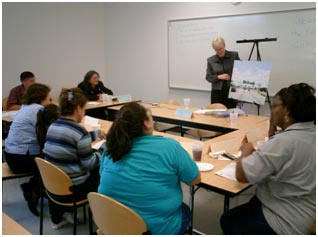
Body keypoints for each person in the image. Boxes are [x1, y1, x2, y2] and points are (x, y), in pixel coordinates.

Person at [220, 83, 316, 235]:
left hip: (284, 219)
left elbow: (241, 175)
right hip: (306, 210)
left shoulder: (285, 142)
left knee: (228, 220)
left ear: (287, 110)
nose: (271, 110)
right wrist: (273, 126)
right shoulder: (310, 133)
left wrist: (247, 150)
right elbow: (278, 154)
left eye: (275, 106)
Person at [98, 102, 201, 235]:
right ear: (146, 123)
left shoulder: (110, 146)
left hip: (113, 225)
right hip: (151, 230)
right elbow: (194, 180)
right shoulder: (170, 147)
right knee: (185, 211)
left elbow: (102, 175)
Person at [43, 88, 102, 229]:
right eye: (84, 109)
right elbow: (90, 164)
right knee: (103, 172)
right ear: (77, 109)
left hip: (53, 186)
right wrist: (102, 151)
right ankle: (102, 219)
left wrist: (96, 134)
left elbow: (71, 139)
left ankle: (58, 218)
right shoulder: (79, 132)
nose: (85, 112)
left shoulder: (54, 125)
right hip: (72, 189)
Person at [4, 83, 52, 216]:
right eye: (48, 98)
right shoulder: (38, 110)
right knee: (53, 160)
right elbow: (52, 132)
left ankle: (33, 187)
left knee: (47, 156)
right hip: (20, 159)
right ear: (41, 98)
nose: (50, 101)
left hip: (11, 155)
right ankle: (34, 190)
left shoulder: (25, 107)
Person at [205, 37, 240, 108]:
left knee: (231, 114)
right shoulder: (211, 60)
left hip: (231, 91)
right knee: (216, 115)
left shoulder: (234, 56)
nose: (219, 52)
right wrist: (219, 76)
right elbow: (208, 77)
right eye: (216, 50)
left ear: (224, 46)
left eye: (221, 49)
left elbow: (240, 71)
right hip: (217, 93)